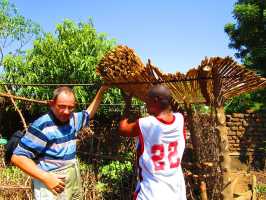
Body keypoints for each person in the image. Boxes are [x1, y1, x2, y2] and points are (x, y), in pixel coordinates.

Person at [11, 85, 109, 200]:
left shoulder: (73, 119)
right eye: (61, 106)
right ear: (52, 104)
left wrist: (102, 90)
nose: (66, 111)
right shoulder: (43, 125)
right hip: (51, 184)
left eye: (70, 107)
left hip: (72, 180)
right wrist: (46, 178)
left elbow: (88, 113)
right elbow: (18, 157)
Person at [119, 85, 187, 200]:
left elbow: (122, 129)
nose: (145, 103)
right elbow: (174, 112)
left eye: (147, 100)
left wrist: (127, 104)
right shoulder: (180, 119)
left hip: (151, 193)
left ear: (155, 100)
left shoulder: (146, 124)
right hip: (177, 192)